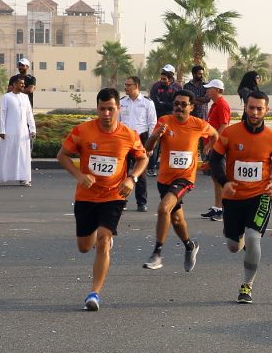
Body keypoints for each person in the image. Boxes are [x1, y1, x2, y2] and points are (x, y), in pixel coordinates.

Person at [57, 88, 148, 311]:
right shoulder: (82, 131)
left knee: (104, 241)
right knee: (84, 247)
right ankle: (99, 237)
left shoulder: (129, 135)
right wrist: (79, 175)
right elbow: (62, 155)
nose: (106, 114)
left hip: (114, 195)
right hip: (86, 196)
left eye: (110, 109)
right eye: (102, 109)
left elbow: (143, 158)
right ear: (97, 109)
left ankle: (94, 293)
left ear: (119, 109)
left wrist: (132, 178)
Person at [209, 90, 272, 304]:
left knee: (254, 239)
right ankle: (237, 236)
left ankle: (247, 285)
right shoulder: (230, 133)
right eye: (251, 107)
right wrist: (224, 182)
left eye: (259, 108)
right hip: (233, 197)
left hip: (260, 196)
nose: (254, 112)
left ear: (266, 110)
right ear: (245, 107)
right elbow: (214, 159)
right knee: (233, 246)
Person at [142, 90, 218, 271]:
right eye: (176, 104)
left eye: (184, 104)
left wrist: (208, 146)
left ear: (191, 107)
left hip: (184, 178)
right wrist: (156, 136)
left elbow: (215, 134)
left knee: (163, 209)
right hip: (164, 179)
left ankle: (157, 254)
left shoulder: (198, 124)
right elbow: (148, 148)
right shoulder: (164, 122)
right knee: (176, 220)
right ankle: (190, 245)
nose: (179, 107)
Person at [119, 75, 158, 211]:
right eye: (125, 85)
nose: (126, 87)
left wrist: (150, 144)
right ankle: (121, 200)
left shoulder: (148, 103)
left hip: (141, 139)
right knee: (121, 171)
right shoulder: (122, 102)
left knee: (140, 173)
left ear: (136, 86)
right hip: (123, 139)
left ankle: (141, 203)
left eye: (128, 85)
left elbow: (152, 124)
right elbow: (117, 122)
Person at [0, 75, 35, 185]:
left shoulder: (25, 97)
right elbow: (2, 114)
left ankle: (24, 178)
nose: (23, 85)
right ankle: (0, 177)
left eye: (23, 83)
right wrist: (2, 130)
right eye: (20, 83)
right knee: (6, 153)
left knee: (23, 154)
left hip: (23, 132)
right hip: (9, 131)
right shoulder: (7, 97)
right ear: (13, 85)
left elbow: (29, 114)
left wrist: (32, 129)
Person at [202, 79, 231, 221]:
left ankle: (223, 209)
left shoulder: (222, 105)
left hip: (218, 147)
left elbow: (224, 125)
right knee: (215, 178)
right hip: (213, 146)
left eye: (210, 88)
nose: (207, 90)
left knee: (220, 178)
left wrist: (212, 144)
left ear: (218, 90)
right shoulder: (215, 104)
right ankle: (217, 207)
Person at [148, 66, 178, 175]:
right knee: (155, 143)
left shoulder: (177, 87)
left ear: (171, 77)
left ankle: (172, 168)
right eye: (162, 76)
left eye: (165, 76)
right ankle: (152, 167)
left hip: (172, 120)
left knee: (171, 143)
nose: (162, 80)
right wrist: (166, 105)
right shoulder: (156, 86)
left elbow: (175, 104)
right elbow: (155, 102)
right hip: (158, 119)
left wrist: (164, 104)